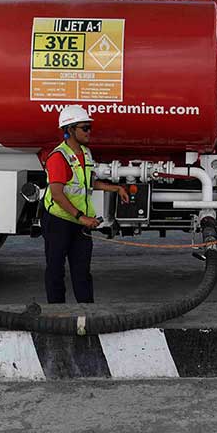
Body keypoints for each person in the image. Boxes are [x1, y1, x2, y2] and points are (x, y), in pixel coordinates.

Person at [42, 105, 129, 303]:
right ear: (70, 129)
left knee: (82, 270)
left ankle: (87, 311)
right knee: (55, 269)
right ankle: (57, 313)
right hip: (58, 221)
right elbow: (57, 194)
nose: (89, 132)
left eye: (89, 127)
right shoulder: (58, 157)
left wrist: (116, 189)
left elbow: (88, 183)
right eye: (85, 128)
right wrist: (81, 217)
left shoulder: (85, 153)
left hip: (79, 222)